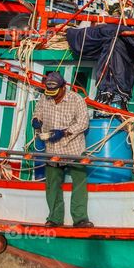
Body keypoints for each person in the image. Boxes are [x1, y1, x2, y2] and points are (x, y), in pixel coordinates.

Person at [31, 71, 92, 227]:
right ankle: (54, 218)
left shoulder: (76, 100)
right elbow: (37, 112)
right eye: (50, 93)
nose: (53, 96)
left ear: (63, 87)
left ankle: (80, 219)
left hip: (73, 148)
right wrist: (36, 121)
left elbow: (83, 123)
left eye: (55, 93)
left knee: (79, 183)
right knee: (52, 185)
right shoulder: (45, 98)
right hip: (52, 149)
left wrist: (64, 132)